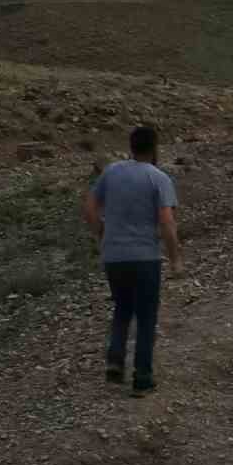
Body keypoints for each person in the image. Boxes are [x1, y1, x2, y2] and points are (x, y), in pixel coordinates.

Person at [83, 125, 181, 396]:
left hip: (113, 257)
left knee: (122, 308)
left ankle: (115, 362)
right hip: (145, 257)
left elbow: (89, 207)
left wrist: (102, 233)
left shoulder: (111, 171)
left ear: (131, 145)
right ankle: (142, 379)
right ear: (154, 147)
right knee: (147, 317)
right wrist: (175, 259)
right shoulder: (158, 178)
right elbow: (167, 222)